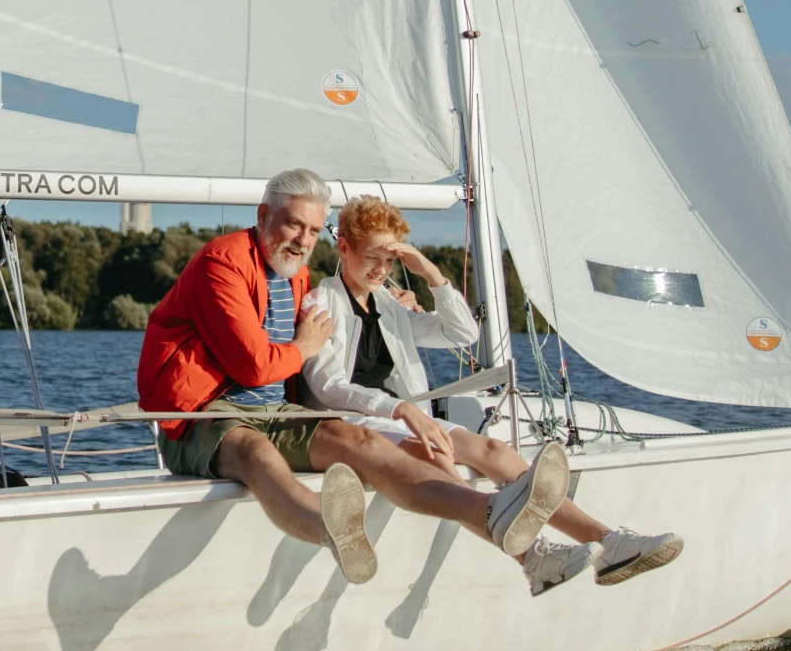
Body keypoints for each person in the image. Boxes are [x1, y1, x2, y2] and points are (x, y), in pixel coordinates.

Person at [137, 167, 583, 593]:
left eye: (313, 231)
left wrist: (424, 280)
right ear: (262, 215)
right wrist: (307, 348)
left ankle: (499, 515)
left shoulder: (299, 277)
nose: (303, 240)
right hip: (203, 414)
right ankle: (330, 531)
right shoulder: (224, 263)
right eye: (294, 225)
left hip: (276, 410)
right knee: (256, 451)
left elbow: (461, 333)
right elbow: (257, 367)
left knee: (359, 442)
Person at [300, 195, 683, 589]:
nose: (381, 270)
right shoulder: (319, 304)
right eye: (372, 258)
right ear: (344, 247)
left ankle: (607, 542)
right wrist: (400, 411)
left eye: (390, 261)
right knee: (436, 457)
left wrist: (431, 274)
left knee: (496, 452)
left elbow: (462, 333)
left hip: (406, 418)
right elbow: (329, 387)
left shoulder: (390, 306)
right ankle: (533, 559)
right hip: (357, 423)